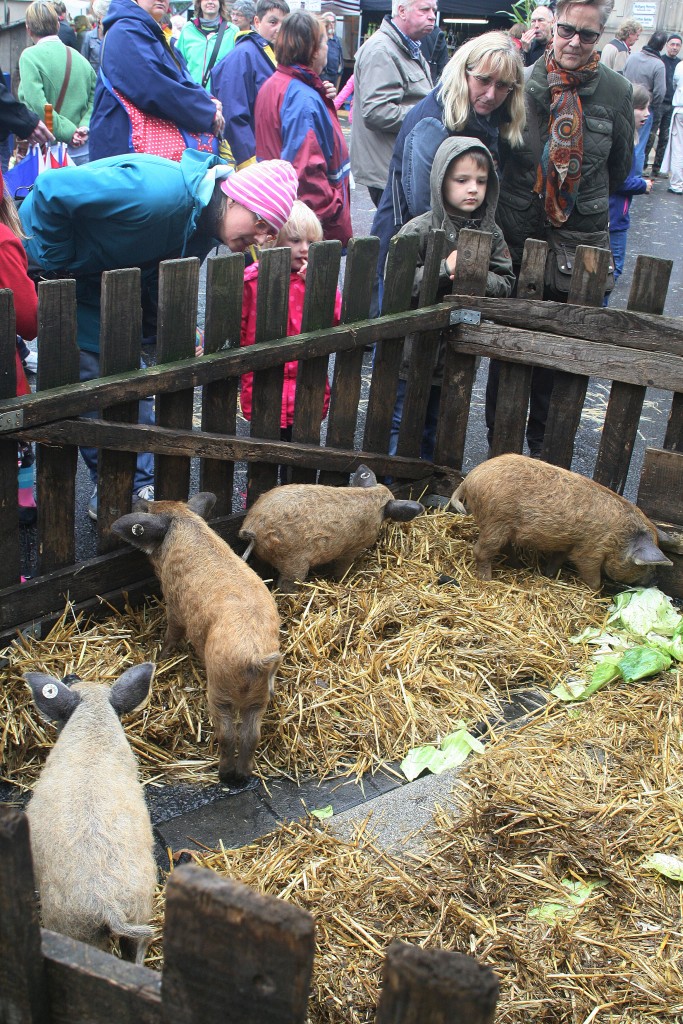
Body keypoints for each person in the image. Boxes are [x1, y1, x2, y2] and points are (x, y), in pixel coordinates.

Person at [19, 154, 299, 517]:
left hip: (98, 284)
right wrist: (57, 262)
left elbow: (156, 273)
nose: (261, 238)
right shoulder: (155, 195)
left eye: (271, 232)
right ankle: (109, 490)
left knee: (127, 379)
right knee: (87, 380)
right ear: (235, 199)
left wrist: (174, 327)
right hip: (50, 266)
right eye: (261, 223)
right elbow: (51, 190)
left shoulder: (201, 227)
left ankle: (133, 488)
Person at [490, 0, 634, 457]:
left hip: (577, 250)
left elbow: (619, 168)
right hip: (518, 242)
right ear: (553, 27)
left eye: (587, 35)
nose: (574, 42)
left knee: (561, 365)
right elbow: (497, 157)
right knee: (508, 358)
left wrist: (570, 193)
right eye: (567, 30)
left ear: (600, 36)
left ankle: (548, 466)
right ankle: (502, 465)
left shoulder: (616, 91)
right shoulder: (521, 81)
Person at [370, 31, 525, 308]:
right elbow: (425, 207)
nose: (491, 94)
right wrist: (460, 261)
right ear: (464, 72)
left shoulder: (489, 117)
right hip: (414, 251)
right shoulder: (433, 121)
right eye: (483, 80)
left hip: (455, 257)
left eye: (502, 85)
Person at [389, 136, 514, 460]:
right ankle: (393, 482)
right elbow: (399, 285)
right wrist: (444, 269)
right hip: (413, 352)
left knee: (439, 426)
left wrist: (477, 276)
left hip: (457, 355)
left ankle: (429, 485)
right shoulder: (417, 230)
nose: (473, 189)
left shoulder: (492, 234)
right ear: (441, 181)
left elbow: (506, 282)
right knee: (403, 423)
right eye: (462, 180)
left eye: (481, 181)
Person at [239, 200, 342, 482]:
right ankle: (259, 495)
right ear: (274, 240)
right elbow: (238, 329)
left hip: (307, 386)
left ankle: (298, 498)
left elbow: (337, 321)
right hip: (264, 385)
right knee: (263, 455)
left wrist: (318, 288)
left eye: (311, 242)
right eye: (295, 240)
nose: (304, 248)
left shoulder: (317, 282)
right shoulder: (253, 280)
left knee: (302, 454)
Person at [255, 10, 351, 245]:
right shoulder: (302, 98)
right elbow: (307, 179)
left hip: (284, 218)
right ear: (314, 50)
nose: (328, 48)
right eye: (325, 42)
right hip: (308, 232)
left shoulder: (275, 85)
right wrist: (335, 208)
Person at [90, 0, 224, 161]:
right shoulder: (125, 31)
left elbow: (177, 77)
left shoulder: (144, 30)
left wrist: (208, 100)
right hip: (125, 151)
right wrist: (206, 110)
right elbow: (156, 88)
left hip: (136, 153)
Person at [350, 0, 435, 207]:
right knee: (397, 227)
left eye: (434, 10)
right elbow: (377, 112)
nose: (432, 16)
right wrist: (429, 115)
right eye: (425, 9)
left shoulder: (406, 46)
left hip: (401, 167)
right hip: (390, 171)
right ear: (402, 11)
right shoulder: (381, 50)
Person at [0, 167, 38, 526]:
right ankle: (22, 504)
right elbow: (27, 320)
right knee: (15, 437)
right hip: (3, 375)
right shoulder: (2, 241)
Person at [211, 0, 289, 170]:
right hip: (254, 160)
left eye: (284, 24)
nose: (279, 29)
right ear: (257, 22)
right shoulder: (243, 55)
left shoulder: (278, 55)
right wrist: (250, 163)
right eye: (273, 22)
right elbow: (233, 114)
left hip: (275, 156)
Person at [18, 1, 95, 165]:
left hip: (50, 151)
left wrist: (69, 132)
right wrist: (83, 127)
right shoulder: (81, 60)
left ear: (28, 29)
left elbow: (37, 104)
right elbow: (95, 97)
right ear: (58, 26)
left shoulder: (29, 57)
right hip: (83, 148)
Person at [607, 83, 652, 298]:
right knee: (612, 270)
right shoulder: (622, 141)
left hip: (616, 215)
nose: (647, 114)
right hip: (614, 217)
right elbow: (618, 180)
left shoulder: (630, 138)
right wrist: (642, 185)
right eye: (641, 108)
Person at [624, 30, 666, 174]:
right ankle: (635, 177)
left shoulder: (632, 57)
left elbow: (623, 77)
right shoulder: (658, 65)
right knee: (639, 145)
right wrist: (651, 107)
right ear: (662, 46)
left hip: (627, 103)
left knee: (624, 140)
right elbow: (660, 92)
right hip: (643, 107)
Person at [176, 0, 237, 90]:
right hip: (193, 93)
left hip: (220, 95)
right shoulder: (187, 29)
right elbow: (178, 64)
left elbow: (237, 69)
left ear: (220, 3)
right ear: (199, 3)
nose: (210, 2)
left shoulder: (233, 31)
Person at [651, 33, 682, 176]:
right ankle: (643, 166)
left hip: (672, 106)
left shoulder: (679, 64)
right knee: (651, 135)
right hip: (659, 103)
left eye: (678, 45)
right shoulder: (660, 61)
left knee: (665, 137)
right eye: (672, 44)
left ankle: (658, 168)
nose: (674, 47)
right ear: (667, 45)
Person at [662, 60, 683, 193]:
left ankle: (677, 184)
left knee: (678, 147)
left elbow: (675, 84)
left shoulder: (680, 66)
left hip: (681, 109)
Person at [81, 0, 110, 75]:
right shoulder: (89, 36)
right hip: (94, 78)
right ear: (99, 19)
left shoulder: (111, 36)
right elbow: (84, 60)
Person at [320, 12, 343, 89]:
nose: (331, 25)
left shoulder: (337, 40)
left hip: (335, 76)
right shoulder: (321, 39)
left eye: (333, 22)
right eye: (328, 22)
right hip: (323, 76)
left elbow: (340, 61)